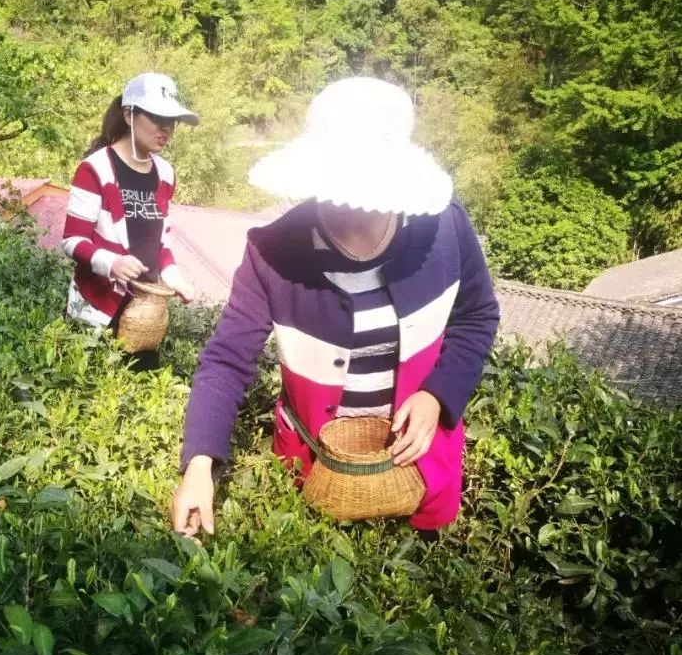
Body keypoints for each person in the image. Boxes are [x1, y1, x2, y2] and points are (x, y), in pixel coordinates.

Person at [171, 76, 500, 538]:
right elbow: (227, 360)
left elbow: (477, 315)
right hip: (317, 468)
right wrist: (200, 466)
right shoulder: (273, 251)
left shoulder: (444, 228)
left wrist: (437, 396)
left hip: (419, 458)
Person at [62, 72, 198, 369]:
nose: (166, 129)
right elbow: (73, 240)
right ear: (129, 114)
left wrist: (172, 273)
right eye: (156, 117)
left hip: (146, 313)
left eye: (171, 120)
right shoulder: (95, 169)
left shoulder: (165, 174)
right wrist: (112, 263)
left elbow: (161, 240)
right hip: (98, 310)